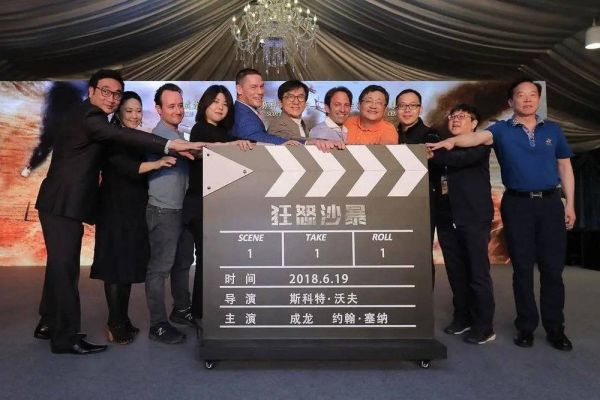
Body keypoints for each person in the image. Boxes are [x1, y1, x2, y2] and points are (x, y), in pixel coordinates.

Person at [34, 69, 203, 355]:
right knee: (65, 271)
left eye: (116, 93)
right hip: (62, 204)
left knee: (59, 268)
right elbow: (119, 137)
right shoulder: (91, 116)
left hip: (63, 204)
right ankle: (64, 337)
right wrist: (169, 145)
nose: (111, 98)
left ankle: (48, 323)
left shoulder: (91, 117)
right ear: (91, 91)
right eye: (106, 91)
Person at [428, 78, 576, 351]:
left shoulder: (553, 130)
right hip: (517, 203)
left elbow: (565, 166)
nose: (527, 99)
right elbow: (476, 137)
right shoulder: (499, 130)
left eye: (532, 95)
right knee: (522, 270)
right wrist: (449, 142)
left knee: (553, 270)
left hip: (551, 203)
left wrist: (570, 204)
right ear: (511, 101)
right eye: (521, 95)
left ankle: (556, 329)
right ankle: (526, 327)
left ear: (538, 99)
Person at [90, 91, 176, 345]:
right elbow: (128, 168)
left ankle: (122, 318)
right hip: (114, 209)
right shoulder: (112, 137)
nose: (135, 115)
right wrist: (159, 163)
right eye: (129, 110)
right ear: (118, 112)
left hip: (134, 208)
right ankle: (115, 323)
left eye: (138, 110)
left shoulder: (136, 138)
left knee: (126, 266)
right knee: (114, 267)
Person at [184, 85, 253, 320]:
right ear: (204, 104)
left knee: (217, 259)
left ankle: (213, 310)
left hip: (220, 206)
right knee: (207, 259)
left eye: (225, 104)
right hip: (201, 205)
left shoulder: (227, 134)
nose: (220, 107)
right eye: (215, 101)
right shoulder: (199, 129)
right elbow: (200, 150)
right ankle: (201, 313)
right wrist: (230, 146)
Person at [428, 104, 495, 344]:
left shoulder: (480, 145)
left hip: (473, 217)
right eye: (453, 116)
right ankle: (462, 317)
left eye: (462, 116)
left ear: (474, 123)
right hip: (447, 218)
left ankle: (484, 326)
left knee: (477, 272)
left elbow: (458, 159)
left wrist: (433, 153)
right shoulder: (444, 145)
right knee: (455, 272)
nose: (456, 120)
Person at [145, 83, 198, 344]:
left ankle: (181, 309)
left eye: (180, 105)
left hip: (182, 210)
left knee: (183, 263)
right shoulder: (159, 137)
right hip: (163, 210)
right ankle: (157, 324)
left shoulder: (181, 134)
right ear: (158, 109)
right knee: (160, 269)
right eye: (171, 106)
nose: (178, 110)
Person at [231, 68, 344, 152]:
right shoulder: (242, 114)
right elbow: (278, 137)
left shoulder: (302, 123)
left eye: (261, 86)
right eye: (253, 87)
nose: (260, 92)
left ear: (306, 101)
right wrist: (313, 141)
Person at [395, 88, 440, 287]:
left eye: (412, 106)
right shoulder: (390, 133)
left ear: (420, 109)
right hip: (392, 203)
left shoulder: (432, 134)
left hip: (422, 203)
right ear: (396, 109)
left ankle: (424, 298)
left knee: (421, 251)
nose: (407, 110)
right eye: (402, 106)